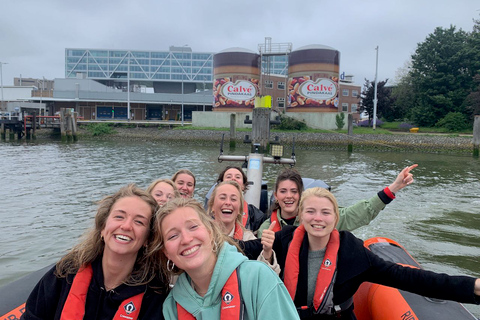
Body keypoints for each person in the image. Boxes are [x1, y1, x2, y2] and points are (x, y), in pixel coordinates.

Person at [260, 187, 480, 319]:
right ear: (301, 215)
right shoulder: (282, 240)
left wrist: (473, 287)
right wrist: (266, 253)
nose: (318, 218)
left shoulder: (353, 252)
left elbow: (410, 278)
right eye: (311, 211)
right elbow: (235, 249)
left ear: (336, 218)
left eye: (325, 212)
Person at [21, 184, 168, 320]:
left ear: (147, 239)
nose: (126, 226)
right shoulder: (65, 273)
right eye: (119, 216)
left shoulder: (154, 294)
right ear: (103, 227)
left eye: (139, 222)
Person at [151, 197, 300, 319]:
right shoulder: (172, 307)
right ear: (166, 252)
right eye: (173, 236)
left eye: (193, 227)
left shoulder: (259, 279)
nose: (186, 239)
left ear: (210, 231)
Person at [257, 164, 418, 237]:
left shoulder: (320, 219)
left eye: (294, 191)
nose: (289, 196)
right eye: (283, 191)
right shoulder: (266, 228)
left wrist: (394, 187)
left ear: (301, 194)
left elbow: (358, 213)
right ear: (276, 195)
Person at [215, 165, 267, 232]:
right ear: (221, 184)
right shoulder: (208, 215)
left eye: (238, 177)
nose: (233, 179)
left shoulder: (256, 216)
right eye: (228, 177)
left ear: (243, 186)